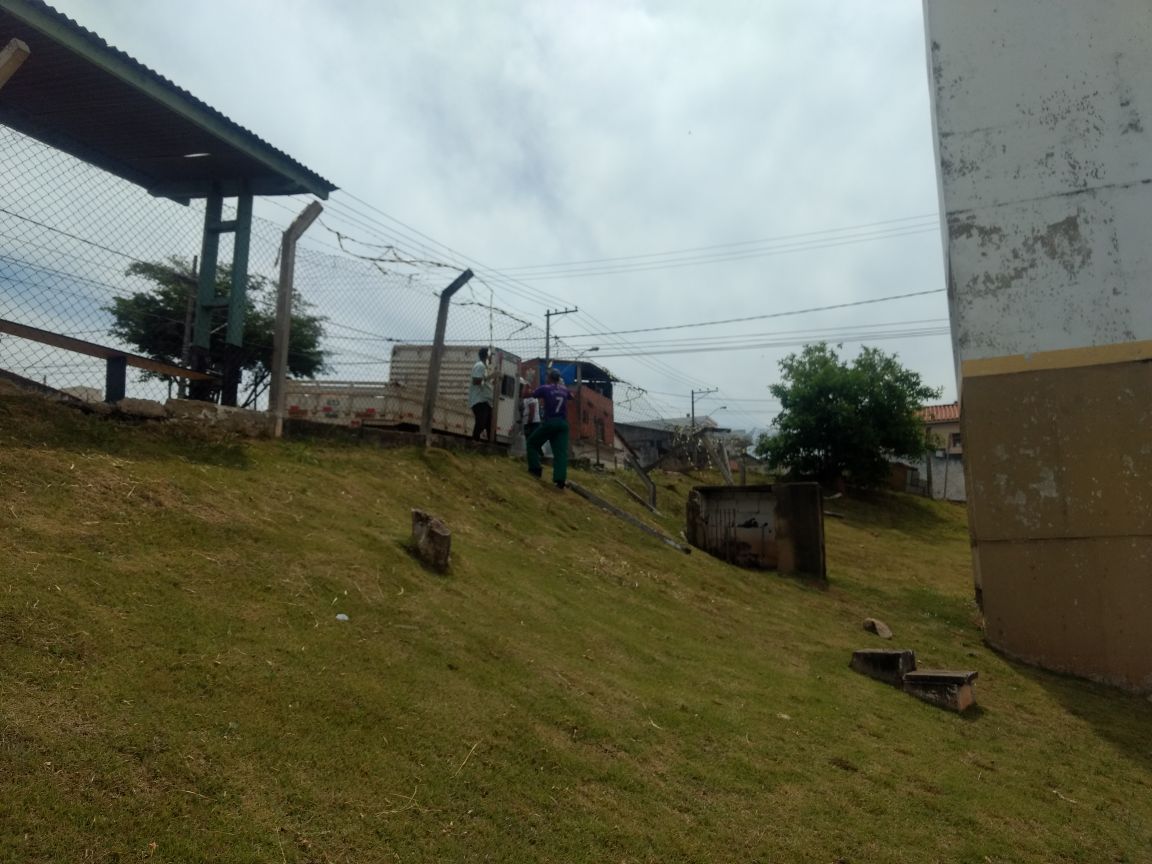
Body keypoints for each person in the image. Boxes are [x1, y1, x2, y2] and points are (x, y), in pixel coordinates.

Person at [526, 369, 573, 489]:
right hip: (563, 424)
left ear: (550, 378)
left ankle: (535, 469)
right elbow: (571, 396)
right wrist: (562, 387)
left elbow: (528, 394)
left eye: (547, 376)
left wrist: (528, 382)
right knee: (560, 453)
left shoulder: (545, 388)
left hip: (551, 422)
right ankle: (560, 480)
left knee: (532, 443)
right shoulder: (564, 389)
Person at [469, 347, 493, 441]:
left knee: (489, 424)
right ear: (487, 356)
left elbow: (483, 382)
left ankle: (489, 444)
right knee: (481, 423)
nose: (491, 358)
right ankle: (474, 442)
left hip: (485, 401)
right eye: (490, 356)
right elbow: (476, 381)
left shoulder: (484, 367)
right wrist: (491, 376)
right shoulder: (480, 366)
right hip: (480, 400)